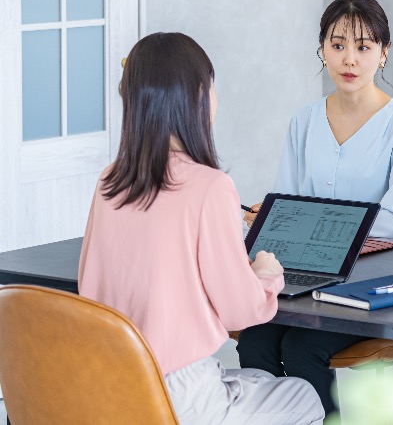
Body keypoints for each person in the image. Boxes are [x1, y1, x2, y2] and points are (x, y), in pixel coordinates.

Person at [78, 33, 325, 425]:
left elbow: (92, 281)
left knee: (259, 379)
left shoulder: (110, 180)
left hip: (112, 382)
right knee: (304, 396)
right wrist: (263, 277)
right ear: (198, 95)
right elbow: (240, 313)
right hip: (180, 394)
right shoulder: (210, 186)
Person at [237, 0, 393, 416]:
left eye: (363, 47)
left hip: (367, 280)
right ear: (322, 49)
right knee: (254, 341)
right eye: (337, 45)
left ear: (384, 53)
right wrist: (267, 219)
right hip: (302, 275)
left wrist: (311, 222)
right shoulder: (303, 120)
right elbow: (285, 201)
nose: (349, 60)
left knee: (304, 348)